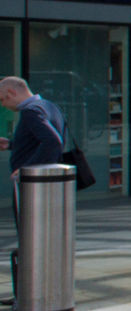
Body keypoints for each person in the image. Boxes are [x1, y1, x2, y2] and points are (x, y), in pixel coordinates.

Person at [0, 77, 66, 226]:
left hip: (32, 183)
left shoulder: (30, 111)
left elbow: (53, 141)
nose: (3, 105)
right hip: (49, 179)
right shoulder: (50, 106)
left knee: (29, 228)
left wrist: (26, 169)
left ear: (11, 92)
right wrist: (10, 144)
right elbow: (43, 142)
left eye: (3, 99)